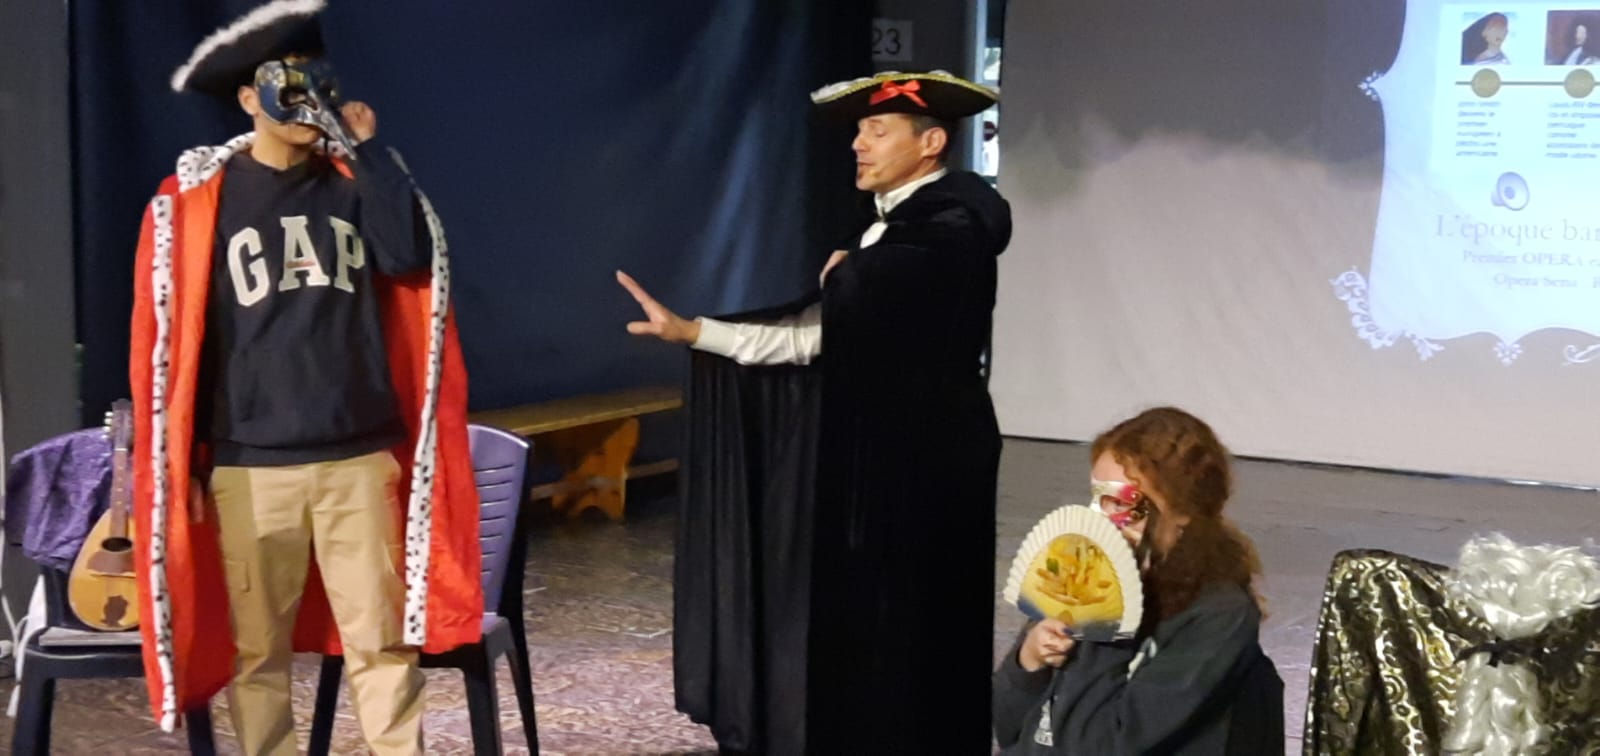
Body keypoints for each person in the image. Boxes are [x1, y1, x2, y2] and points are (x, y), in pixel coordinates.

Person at [619, 70, 1010, 753]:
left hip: (927, 461)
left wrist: (851, 275)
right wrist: (695, 332)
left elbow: (886, 286)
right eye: (858, 131)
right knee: (865, 623)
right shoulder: (886, 229)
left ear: (931, 144)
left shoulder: (952, 226)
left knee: (919, 620)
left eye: (877, 130)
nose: (858, 144)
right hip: (871, 458)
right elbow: (813, 337)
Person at [128, 2, 482, 753]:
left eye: (318, 82)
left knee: (382, 646)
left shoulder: (355, 183)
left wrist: (367, 150)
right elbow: (178, 350)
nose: (307, 99)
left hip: (357, 457)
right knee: (257, 656)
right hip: (251, 467)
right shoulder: (198, 205)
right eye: (288, 85)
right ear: (248, 99)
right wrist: (188, 464)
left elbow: (407, 257)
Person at [992, 408, 1284, 754]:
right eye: (1097, 499)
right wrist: (1029, 663)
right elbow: (1009, 729)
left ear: (1182, 513)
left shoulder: (1218, 614)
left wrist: (1105, 620)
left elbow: (1107, 745)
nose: (1102, 520)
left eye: (1122, 503)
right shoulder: (1078, 577)